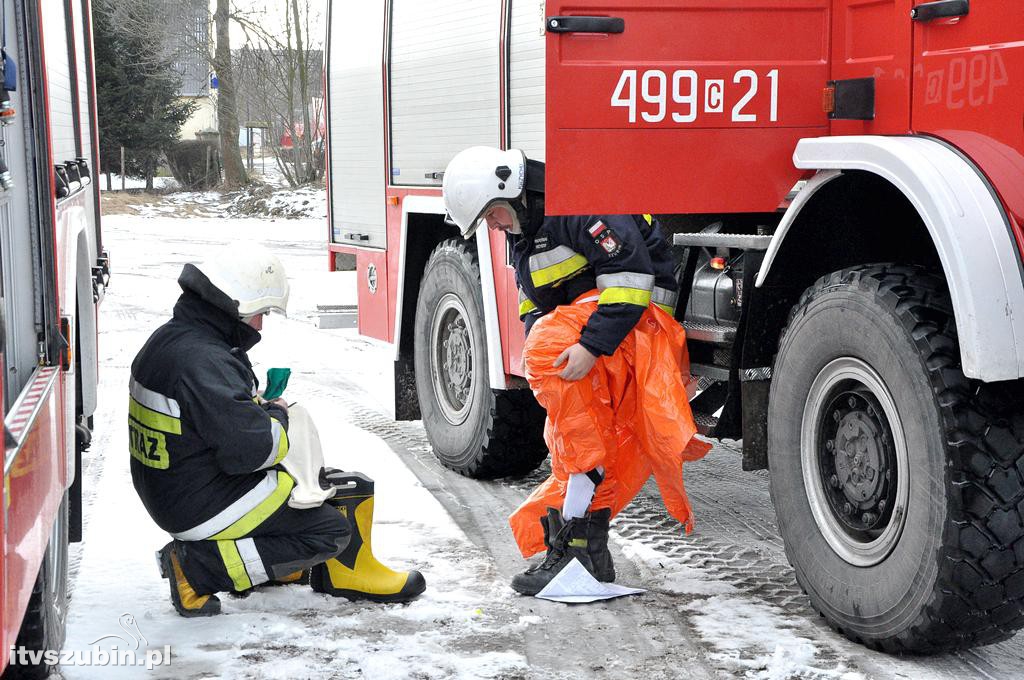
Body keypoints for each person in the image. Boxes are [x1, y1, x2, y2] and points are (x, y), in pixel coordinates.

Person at [442, 147, 710, 594]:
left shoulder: (578, 203)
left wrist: (589, 346)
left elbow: (630, 276)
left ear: (511, 191)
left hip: (639, 328)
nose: (493, 227)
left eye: (492, 215)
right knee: (574, 425)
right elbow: (533, 303)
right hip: (609, 328)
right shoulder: (527, 228)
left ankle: (578, 551)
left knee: (572, 409)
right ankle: (583, 553)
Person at [130, 244, 424, 617]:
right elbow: (254, 451)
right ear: (234, 307)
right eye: (259, 313)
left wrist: (252, 408)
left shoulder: (174, 339)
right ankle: (196, 569)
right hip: (195, 504)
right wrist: (277, 415)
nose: (260, 325)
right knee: (327, 529)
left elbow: (207, 422)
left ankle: (277, 567)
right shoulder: (205, 362)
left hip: (174, 487)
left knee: (313, 484)